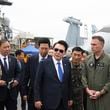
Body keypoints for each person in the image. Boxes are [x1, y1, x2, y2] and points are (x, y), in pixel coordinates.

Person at [34, 40, 73, 110]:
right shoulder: (43, 64)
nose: (58, 52)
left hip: (64, 102)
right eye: (56, 50)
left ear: (64, 53)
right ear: (53, 49)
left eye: (61, 51)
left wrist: (70, 98)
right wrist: (37, 99)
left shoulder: (67, 63)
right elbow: (37, 83)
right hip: (48, 102)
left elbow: (69, 82)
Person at [82, 35, 110, 110]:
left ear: (102, 45)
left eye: (94, 44)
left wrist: (101, 92)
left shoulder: (108, 59)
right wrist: (87, 89)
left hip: (105, 97)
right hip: (90, 96)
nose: (92, 46)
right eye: (91, 44)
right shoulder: (87, 59)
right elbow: (83, 75)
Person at [22, 38, 51, 110]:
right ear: (38, 47)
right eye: (42, 48)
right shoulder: (31, 59)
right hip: (33, 95)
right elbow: (25, 77)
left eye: (46, 48)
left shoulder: (52, 60)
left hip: (48, 95)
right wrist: (24, 93)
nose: (44, 51)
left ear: (49, 48)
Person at [0, 39, 21, 110]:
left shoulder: (13, 59)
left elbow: (18, 73)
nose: (7, 49)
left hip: (12, 94)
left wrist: (17, 80)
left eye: (8, 47)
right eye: (5, 47)